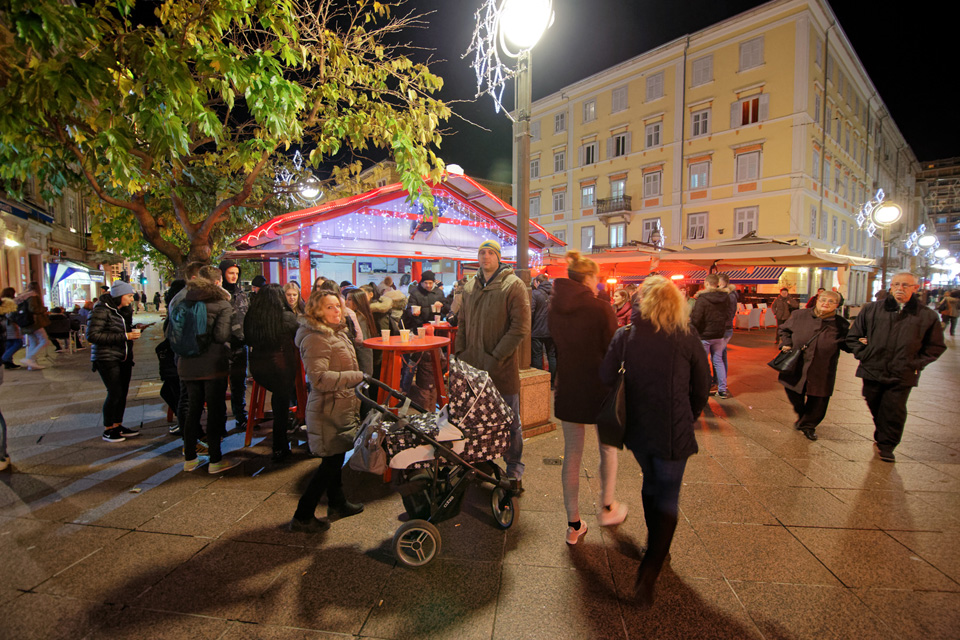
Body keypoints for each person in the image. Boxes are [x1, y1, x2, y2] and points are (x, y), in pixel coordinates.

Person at [599, 276, 710, 608]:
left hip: (638, 429)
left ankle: (654, 545)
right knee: (668, 497)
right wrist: (689, 414)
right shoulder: (687, 335)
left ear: (640, 302)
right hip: (673, 430)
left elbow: (606, 376)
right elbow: (702, 384)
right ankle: (650, 569)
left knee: (651, 483)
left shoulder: (625, 335)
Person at [549, 251, 625, 545]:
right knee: (608, 449)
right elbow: (614, 348)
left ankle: (573, 524)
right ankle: (607, 508)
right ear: (589, 277)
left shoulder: (555, 307)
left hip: (569, 386)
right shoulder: (601, 308)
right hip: (600, 388)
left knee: (572, 454)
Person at [846, 272, 946, 462]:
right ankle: (883, 433)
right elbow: (853, 337)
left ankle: (887, 445)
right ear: (891, 287)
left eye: (905, 285)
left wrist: (915, 363)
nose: (900, 288)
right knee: (874, 402)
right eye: (896, 284)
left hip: (903, 372)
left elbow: (936, 346)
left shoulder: (926, 315)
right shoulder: (872, 309)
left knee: (894, 409)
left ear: (915, 288)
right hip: (872, 368)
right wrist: (864, 354)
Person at [455, 239, 531, 481]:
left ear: (499, 257)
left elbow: (520, 328)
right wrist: (460, 353)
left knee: (510, 420)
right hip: (473, 368)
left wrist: (496, 357)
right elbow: (462, 323)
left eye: (490, 253)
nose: (485, 256)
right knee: (476, 419)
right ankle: (481, 463)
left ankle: (514, 466)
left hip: (501, 368)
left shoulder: (513, 285)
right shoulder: (470, 287)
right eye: (482, 252)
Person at [290, 291, 365, 533]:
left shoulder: (337, 332)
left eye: (338, 306)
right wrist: (357, 377)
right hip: (327, 409)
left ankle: (337, 503)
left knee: (336, 456)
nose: (337, 311)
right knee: (329, 464)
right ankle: (302, 515)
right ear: (317, 311)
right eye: (330, 307)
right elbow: (319, 378)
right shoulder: (316, 338)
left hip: (339, 405)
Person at [172, 265, 239, 473]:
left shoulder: (184, 300)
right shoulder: (222, 304)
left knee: (193, 409)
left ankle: (190, 458)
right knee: (214, 410)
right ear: (218, 282)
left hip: (187, 363)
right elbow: (221, 336)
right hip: (213, 364)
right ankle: (215, 460)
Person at [777, 290, 850, 441]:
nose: (826, 303)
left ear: (837, 305)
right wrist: (786, 343)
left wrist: (859, 342)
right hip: (798, 363)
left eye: (831, 301)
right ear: (817, 300)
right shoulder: (799, 315)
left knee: (819, 398)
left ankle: (808, 425)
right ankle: (803, 415)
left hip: (823, 366)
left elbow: (847, 344)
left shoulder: (841, 324)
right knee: (793, 390)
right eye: (823, 299)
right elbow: (784, 329)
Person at [245, 284, 299, 462]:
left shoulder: (251, 316)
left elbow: (247, 339)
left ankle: (279, 443)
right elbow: (298, 337)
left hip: (257, 367)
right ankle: (280, 446)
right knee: (281, 404)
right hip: (281, 367)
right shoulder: (287, 317)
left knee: (279, 398)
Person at [88, 280, 142, 442]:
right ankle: (108, 429)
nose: (131, 299)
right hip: (106, 357)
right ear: (119, 295)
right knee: (115, 392)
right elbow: (92, 335)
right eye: (129, 296)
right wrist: (125, 336)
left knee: (122, 392)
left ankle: (118, 425)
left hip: (123, 357)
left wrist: (133, 329)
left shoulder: (122, 310)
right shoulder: (101, 310)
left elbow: (121, 329)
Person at [402, 270, 448, 409]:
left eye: (430, 283)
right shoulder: (415, 293)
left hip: (435, 331)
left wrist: (442, 306)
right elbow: (409, 310)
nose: (428, 285)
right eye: (426, 283)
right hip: (418, 331)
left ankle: (436, 389)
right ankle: (404, 391)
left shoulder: (438, 293)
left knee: (434, 361)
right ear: (421, 282)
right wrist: (413, 313)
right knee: (413, 362)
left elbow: (446, 309)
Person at [691, 274, 733, 398]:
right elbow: (728, 315)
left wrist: (693, 329)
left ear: (707, 284)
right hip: (719, 334)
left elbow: (697, 318)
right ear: (717, 284)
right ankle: (722, 389)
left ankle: (704, 387)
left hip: (704, 335)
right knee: (718, 361)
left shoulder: (702, 299)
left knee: (703, 362)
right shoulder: (725, 297)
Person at [219, 259, 249, 431]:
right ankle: (220, 421)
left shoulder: (241, 293)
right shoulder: (217, 294)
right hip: (222, 346)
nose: (234, 276)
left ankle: (241, 416)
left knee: (239, 384)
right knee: (220, 385)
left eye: (236, 273)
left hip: (240, 345)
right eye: (231, 273)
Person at [15, 282, 50, 370]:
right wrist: (44, 309)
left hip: (25, 322)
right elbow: (33, 309)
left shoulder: (22, 296)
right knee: (44, 340)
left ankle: (31, 365)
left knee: (33, 342)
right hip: (34, 322)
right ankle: (29, 358)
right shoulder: (33, 296)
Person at [530, 274, 556, 386]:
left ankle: (540, 383)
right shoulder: (555, 294)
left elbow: (531, 311)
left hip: (537, 330)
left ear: (538, 282)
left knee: (537, 356)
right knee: (552, 356)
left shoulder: (535, 294)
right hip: (552, 331)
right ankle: (552, 382)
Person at [345, 288, 376, 377]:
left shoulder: (359, 317)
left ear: (358, 302)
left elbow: (361, 342)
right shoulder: (363, 315)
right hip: (364, 355)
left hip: (362, 356)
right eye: (346, 299)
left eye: (349, 299)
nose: (346, 302)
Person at [2, 288, 22, 369]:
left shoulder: (2, 301)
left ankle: (9, 362)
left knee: (9, 343)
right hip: (10, 324)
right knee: (18, 342)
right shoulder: (10, 302)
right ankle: (4, 358)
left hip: (4, 325)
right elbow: (10, 314)